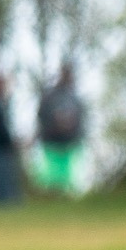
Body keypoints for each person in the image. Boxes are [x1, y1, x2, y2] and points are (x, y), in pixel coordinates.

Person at [35, 62, 86, 196]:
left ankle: (68, 198)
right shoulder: (50, 96)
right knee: (52, 178)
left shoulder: (75, 97)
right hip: (52, 142)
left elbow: (81, 118)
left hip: (71, 142)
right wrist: (55, 124)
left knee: (71, 179)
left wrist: (73, 127)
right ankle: (52, 197)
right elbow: (42, 116)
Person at [0, 72, 25, 207]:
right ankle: (5, 207)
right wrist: (10, 142)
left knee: (8, 180)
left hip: (4, 150)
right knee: (2, 181)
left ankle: (9, 206)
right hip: (0, 149)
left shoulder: (3, 106)